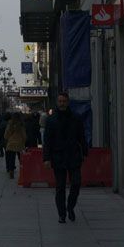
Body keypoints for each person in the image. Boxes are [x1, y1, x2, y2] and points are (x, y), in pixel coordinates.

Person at [43, 92, 87, 223]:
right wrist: (46, 158)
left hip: (73, 156)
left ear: (68, 102)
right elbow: (47, 141)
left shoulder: (76, 118)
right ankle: (61, 214)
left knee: (76, 183)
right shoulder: (51, 120)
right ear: (57, 102)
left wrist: (84, 152)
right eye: (60, 101)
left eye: (64, 101)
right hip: (58, 157)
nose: (62, 103)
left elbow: (82, 137)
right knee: (60, 187)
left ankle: (70, 207)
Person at [4, 112, 26, 178]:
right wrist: (24, 141)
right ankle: (23, 170)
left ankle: (11, 170)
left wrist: (7, 138)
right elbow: (24, 135)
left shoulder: (10, 124)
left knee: (11, 158)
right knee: (21, 158)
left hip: (11, 143)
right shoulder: (21, 124)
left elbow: (6, 134)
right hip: (19, 143)